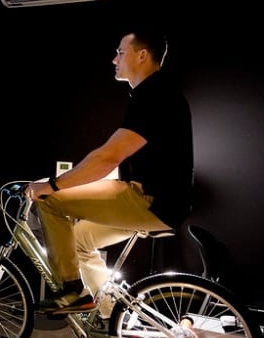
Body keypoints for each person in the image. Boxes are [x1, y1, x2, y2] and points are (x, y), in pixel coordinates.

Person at [25, 26, 194, 319]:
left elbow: (107, 156)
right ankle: (109, 314)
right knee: (79, 240)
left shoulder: (155, 95)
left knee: (50, 202)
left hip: (149, 200)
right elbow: (125, 160)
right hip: (157, 201)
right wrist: (67, 183)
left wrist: (52, 185)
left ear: (142, 55)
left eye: (120, 52)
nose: (114, 59)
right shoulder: (155, 92)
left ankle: (69, 293)